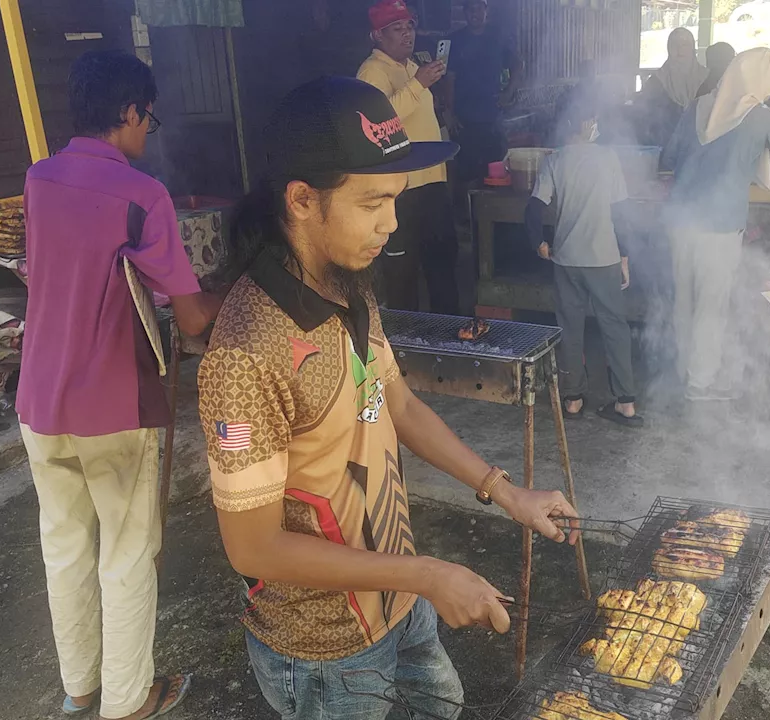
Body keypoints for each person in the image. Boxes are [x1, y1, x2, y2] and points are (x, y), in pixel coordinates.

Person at [198, 76, 581, 720]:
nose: (392, 222)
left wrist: (508, 492)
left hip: (399, 601)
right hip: (325, 654)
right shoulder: (246, 354)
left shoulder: (347, 287)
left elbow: (395, 405)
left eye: (396, 199)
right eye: (373, 201)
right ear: (301, 199)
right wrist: (430, 575)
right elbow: (253, 548)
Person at [17, 50, 223, 719]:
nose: (146, 134)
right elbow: (192, 319)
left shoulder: (38, 179)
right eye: (148, 120)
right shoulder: (143, 195)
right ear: (131, 112)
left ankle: (81, 692)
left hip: (39, 400)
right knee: (129, 552)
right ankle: (130, 702)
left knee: (65, 547)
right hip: (111, 403)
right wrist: (237, 293)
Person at [661, 48, 770, 402]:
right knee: (711, 305)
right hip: (719, 225)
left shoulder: (697, 106)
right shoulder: (761, 117)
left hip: (679, 219)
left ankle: (681, 371)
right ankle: (700, 383)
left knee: (684, 299)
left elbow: (670, 155)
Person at [525, 101, 641, 427]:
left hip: (567, 260)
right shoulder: (608, 158)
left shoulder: (555, 161)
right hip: (604, 259)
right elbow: (621, 213)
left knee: (570, 329)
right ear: (589, 122)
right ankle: (625, 403)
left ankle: (573, 399)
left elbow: (533, 208)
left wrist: (540, 244)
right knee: (615, 328)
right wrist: (625, 257)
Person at [357, 0, 460, 314]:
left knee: (442, 264)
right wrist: (419, 85)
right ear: (377, 36)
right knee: (403, 275)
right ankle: (407, 350)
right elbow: (378, 126)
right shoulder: (371, 72)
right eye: (397, 29)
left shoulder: (412, 66)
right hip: (401, 191)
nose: (407, 35)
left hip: (432, 183)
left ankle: (451, 339)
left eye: (410, 27)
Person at [445, 0, 522, 185]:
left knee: (495, 171)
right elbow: (448, 78)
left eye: (479, 8)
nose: (475, 13)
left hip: (493, 118)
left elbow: (518, 65)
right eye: (471, 9)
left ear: (486, 10)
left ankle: (492, 211)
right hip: (464, 121)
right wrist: (448, 112)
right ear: (464, 12)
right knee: (465, 173)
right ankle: (467, 213)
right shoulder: (454, 40)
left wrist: (508, 92)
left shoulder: (499, 36)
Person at [639, 27, 706, 147]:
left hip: (698, 149)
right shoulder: (656, 81)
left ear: (692, 48)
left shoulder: (707, 79)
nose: (680, 49)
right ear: (669, 48)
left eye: (685, 44)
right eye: (675, 44)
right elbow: (646, 118)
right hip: (664, 147)